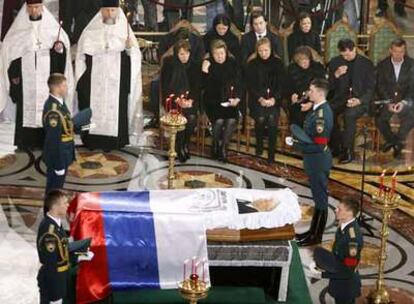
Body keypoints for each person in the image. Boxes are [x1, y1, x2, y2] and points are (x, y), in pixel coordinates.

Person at [0, 0, 74, 151]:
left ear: (42, 8)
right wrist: (14, 75)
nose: (34, 11)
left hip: (46, 81)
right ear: (26, 9)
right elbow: (10, 55)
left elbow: (61, 55)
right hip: (26, 81)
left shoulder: (53, 29)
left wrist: (58, 49)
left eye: (37, 7)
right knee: (26, 110)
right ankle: (25, 142)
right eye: (31, 8)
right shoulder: (18, 32)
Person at [76, 0, 143, 151]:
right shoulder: (90, 32)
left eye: (113, 10)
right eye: (106, 10)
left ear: (117, 11)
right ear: (101, 11)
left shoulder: (124, 31)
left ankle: (116, 141)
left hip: (117, 82)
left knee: (116, 110)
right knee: (92, 109)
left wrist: (128, 49)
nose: (109, 14)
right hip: (95, 81)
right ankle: (91, 140)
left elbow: (135, 57)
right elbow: (81, 57)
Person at [286, 78, 333, 246]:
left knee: (321, 200)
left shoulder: (322, 115)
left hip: (318, 161)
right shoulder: (317, 109)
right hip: (314, 161)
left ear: (320, 93)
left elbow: (319, 145)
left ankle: (316, 237)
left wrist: (297, 145)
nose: (309, 92)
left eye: (311, 90)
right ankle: (312, 232)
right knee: (317, 198)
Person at [37, 189, 93, 304]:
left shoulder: (56, 223)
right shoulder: (50, 233)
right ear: (55, 206)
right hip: (53, 284)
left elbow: (61, 251)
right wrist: (55, 295)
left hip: (60, 279)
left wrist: (80, 256)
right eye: (65, 203)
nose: (68, 205)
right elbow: (51, 264)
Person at [328, 39, 375, 164]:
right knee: (328, 111)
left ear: (354, 49)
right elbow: (329, 87)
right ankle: (336, 146)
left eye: (348, 54)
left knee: (349, 115)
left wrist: (359, 100)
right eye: (343, 55)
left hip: (359, 99)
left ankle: (348, 151)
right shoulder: (335, 62)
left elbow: (371, 89)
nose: (346, 58)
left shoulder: (367, 64)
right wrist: (336, 75)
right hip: (340, 98)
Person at [312, 197, 363, 304]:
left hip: (345, 287)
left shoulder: (352, 239)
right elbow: (338, 254)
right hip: (340, 280)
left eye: (339, 209)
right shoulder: (345, 226)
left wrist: (321, 274)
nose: (335, 210)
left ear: (349, 213)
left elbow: (348, 270)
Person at [161, 39, 201, 162]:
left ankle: (184, 144)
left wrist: (190, 101)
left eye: (187, 53)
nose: (185, 57)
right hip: (172, 99)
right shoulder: (169, 63)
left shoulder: (195, 64)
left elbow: (197, 87)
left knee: (191, 118)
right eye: (181, 54)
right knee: (179, 116)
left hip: (190, 100)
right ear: (176, 53)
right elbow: (166, 86)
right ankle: (177, 147)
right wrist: (177, 99)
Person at [246, 38, 285, 163]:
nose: (263, 53)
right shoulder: (252, 64)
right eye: (261, 50)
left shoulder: (278, 63)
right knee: (261, 118)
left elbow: (281, 85)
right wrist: (260, 98)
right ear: (257, 51)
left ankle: (271, 152)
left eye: (266, 50)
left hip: (274, 99)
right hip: (257, 100)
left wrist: (274, 99)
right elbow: (250, 86)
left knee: (272, 119)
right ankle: (259, 146)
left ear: (271, 49)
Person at [202, 39, 241, 162]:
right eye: (216, 54)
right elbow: (203, 86)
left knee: (231, 120)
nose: (219, 56)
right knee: (218, 121)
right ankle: (214, 145)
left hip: (229, 99)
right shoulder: (208, 64)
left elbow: (239, 83)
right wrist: (205, 71)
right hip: (212, 100)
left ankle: (223, 148)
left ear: (226, 53)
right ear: (212, 54)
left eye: (222, 53)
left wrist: (237, 98)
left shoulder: (233, 63)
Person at [375, 38, 414, 158]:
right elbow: (380, 87)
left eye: (401, 51)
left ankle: (395, 142)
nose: (398, 54)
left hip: (405, 101)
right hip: (388, 101)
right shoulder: (382, 65)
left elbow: (412, 88)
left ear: (405, 51)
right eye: (396, 51)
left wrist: (403, 102)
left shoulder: (411, 64)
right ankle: (395, 142)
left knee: (411, 117)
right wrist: (389, 103)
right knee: (380, 119)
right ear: (390, 50)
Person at [42, 74, 75, 197]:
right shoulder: (53, 110)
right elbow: (53, 140)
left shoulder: (60, 103)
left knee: (57, 189)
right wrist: (59, 165)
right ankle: (49, 214)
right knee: (53, 190)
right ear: (57, 87)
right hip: (57, 158)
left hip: (64, 153)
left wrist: (87, 127)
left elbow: (66, 126)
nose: (67, 88)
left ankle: (52, 212)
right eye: (64, 85)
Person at [287, 46, 326, 127]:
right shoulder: (291, 69)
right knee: (297, 113)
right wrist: (291, 95)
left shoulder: (318, 68)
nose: (303, 62)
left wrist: (312, 103)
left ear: (310, 58)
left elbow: (322, 89)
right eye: (300, 60)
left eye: (305, 59)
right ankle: (298, 137)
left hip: (315, 101)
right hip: (298, 101)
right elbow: (287, 86)